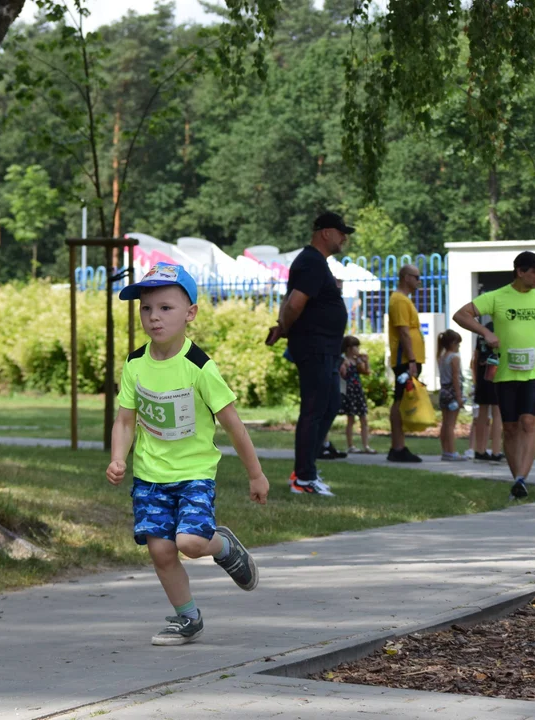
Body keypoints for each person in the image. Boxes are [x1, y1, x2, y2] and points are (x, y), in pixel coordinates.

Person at [107, 262, 270, 646]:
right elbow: (125, 420)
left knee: (191, 543)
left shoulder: (199, 367)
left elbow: (233, 424)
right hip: (150, 475)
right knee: (161, 551)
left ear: (189, 313)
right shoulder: (134, 364)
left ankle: (225, 546)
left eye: (165, 308)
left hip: (194, 472)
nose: (153, 317)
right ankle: (187, 618)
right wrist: (119, 457)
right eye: (146, 309)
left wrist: (256, 474)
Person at [453, 251, 535, 499]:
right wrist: (485, 332)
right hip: (505, 370)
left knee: (528, 421)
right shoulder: (496, 297)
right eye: (534, 272)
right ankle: (518, 481)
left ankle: (523, 477)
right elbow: (461, 314)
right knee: (511, 427)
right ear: (520, 271)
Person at [267, 211, 353, 496]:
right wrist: (284, 327)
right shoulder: (311, 262)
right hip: (314, 348)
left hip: (325, 349)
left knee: (328, 406)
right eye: (341, 232)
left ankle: (307, 471)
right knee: (315, 409)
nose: (344, 238)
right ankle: (303, 478)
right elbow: (293, 304)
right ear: (325, 233)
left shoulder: (317, 263)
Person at [386, 264, 425, 463]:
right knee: (400, 400)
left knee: (402, 399)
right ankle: (397, 447)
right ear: (406, 277)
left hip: (409, 359)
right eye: (416, 277)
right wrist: (410, 359)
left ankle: (399, 446)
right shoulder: (399, 300)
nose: (419, 281)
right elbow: (403, 332)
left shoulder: (404, 300)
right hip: (405, 360)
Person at [470, 316, 503, 463]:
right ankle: (496, 451)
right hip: (496, 371)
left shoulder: (483, 330)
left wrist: (476, 379)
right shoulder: (502, 329)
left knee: (482, 414)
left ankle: (480, 450)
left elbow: (476, 356)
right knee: (497, 413)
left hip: (482, 372)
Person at [339, 336, 375, 454]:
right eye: (356, 346)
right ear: (349, 348)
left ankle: (366, 445)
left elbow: (366, 372)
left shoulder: (357, 361)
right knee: (351, 419)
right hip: (349, 392)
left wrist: (366, 362)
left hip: (357, 391)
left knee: (363, 418)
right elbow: (342, 375)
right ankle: (350, 445)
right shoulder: (344, 360)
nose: (358, 349)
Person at [437, 329, 466, 461]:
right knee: (451, 424)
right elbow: (455, 378)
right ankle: (452, 451)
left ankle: (445, 450)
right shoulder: (454, 358)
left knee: (445, 423)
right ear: (453, 343)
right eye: (458, 344)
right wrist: (459, 397)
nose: (459, 347)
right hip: (452, 392)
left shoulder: (442, 357)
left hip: (443, 391)